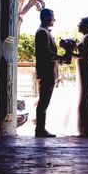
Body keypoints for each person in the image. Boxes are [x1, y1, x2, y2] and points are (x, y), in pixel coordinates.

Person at [34, 8, 65, 137]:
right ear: (46, 18)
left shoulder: (45, 32)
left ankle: (41, 129)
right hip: (46, 71)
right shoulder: (42, 32)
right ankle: (40, 130)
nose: (54, 20)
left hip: (48, 71)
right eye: (52, 17)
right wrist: (61, 58)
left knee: (45, 101)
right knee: (43, 101)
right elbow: (46, 54)